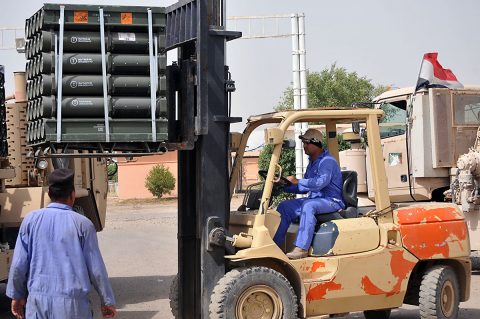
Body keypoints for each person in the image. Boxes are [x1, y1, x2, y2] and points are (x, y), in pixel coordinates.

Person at [6, 168, 116, 319]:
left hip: (37, 304)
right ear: (73, 194)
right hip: (73, 307)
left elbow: (18, 264)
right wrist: (107, 300)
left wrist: (16, 295)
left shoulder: (30, 220)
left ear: (49, 194)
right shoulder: (83, 224)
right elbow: (96, 269)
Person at [273, 129, 345, 259]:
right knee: (285, 207)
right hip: (316, 200)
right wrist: (285, 186)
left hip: (331, 201)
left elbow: (319, 183)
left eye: (306, 143)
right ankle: (275, 246)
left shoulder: (327, 161)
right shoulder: (312, 163)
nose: (304, 146)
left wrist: (297, 180)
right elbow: (305, 188)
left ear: (316, 143)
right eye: (303, 143)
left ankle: (301, 248)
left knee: (308, 205)